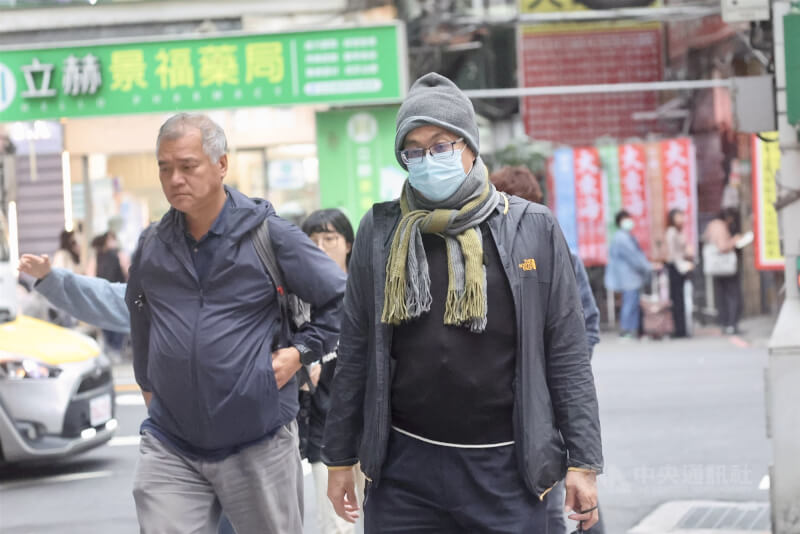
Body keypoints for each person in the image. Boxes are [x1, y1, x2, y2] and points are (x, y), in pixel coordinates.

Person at [323, 73, 603, 533]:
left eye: (440, 145)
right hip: (404, 470)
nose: (427, 160)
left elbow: (567, 352)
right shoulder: (381, 231)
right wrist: (339, 458)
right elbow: (355, 350)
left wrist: (583, 462)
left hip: (507, 469)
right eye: (413, 150)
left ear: (470, 146)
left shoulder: (532, 227)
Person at [125, 112, 346, 534]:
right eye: (164, 168)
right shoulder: (152, 243)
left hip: (257, 438)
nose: (174, 179)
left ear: (221, 164)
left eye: (187, 166)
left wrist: (300, 353)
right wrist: (147, 383)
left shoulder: (268, 235)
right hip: (171, 442)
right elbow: (140, 314)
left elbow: (341, 299)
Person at [490, 165, 603, 534]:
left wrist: (553, 377)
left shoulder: (556, 252)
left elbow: (585, 326)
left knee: (551, 499)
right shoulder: (484, 253)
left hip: (545, 402)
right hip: (499, 409)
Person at [300, 209, 364, 534]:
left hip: (370, 430)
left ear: (348, 244)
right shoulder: (299, 299)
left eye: (330, 239)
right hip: (324, 431)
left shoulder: (366, 291)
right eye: (313, 241)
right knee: (336, 527)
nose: (321, 248)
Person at [604, 210, 653, 338]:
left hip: (630, 276)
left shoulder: (624, 236)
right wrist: (648, 267)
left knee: (631, 303)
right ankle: (626, 330)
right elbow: (634, 257)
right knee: (630, 303)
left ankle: (631, 329)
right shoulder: (622, 238)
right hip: (628, 277)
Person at [703, 207, 743, 335]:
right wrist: (735, 241)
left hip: (716, 267)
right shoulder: (720, 226)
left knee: (721, 295)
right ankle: (731, 324)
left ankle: (724, 323)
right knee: (732, 295)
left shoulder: (711, 225)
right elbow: (722, 247)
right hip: (725, 267)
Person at [91, 231, 129, 358]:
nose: (113, 242)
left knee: (116, 321)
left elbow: (127, 271)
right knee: (109, 321)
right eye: (110, 239)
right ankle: (113, 349)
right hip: (106, 294)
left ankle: (115, 349)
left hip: (115, 294)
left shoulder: (117, 255)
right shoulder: (99, 257)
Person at [664, 209, 694, 338]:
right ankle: (678, 329)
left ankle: (682, 328)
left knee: (681, 300)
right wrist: (684, 264)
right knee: (677, 300)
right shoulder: (671, 232)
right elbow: (673, 254)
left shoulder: (679, 231)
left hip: (680, 267)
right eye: (678, 216)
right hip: (676, 267)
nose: (681, 219)